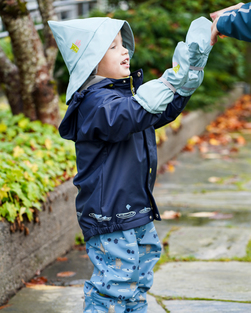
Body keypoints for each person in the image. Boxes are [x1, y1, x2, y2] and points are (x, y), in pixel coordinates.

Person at [48, 16, 212, 313]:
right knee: (114, 283)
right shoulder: (94, 104)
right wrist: (168, 79)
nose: (124, 51)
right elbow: (130, 115)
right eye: (112, 47)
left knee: (139, 275)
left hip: (135, 207)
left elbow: (154, 113)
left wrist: (186, 78)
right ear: (91, 62)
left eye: (123, 45)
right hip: (108, 213)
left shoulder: (121, 96)